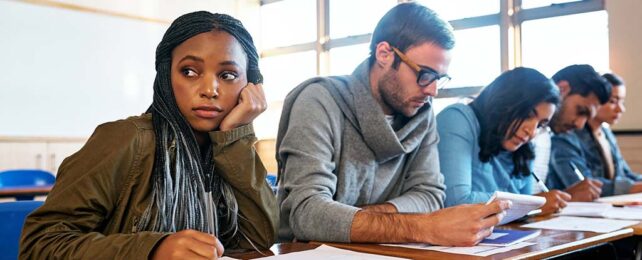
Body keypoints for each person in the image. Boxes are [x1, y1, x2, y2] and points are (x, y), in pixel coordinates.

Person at [20, 11, 278, 259]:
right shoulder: (127, 139)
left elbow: (256, 241)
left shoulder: (228, 147)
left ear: (250, 86)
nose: (210, 89)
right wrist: (153, 250)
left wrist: (234, 137)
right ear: (166, 76)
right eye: (189, 71)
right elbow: (40, 245)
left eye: (227, 75)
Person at [276, 2, 509, 247]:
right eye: (425, 74)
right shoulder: (318, 100)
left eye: (439, 79)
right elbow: (307, 212)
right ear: (384, 54)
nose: (432, 90)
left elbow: (431, 195)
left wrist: (362, 219)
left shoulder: (422, 113)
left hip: (385, 250)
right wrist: (424, 227)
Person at [437, 67, 571, 214]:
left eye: (540, 125)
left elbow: (523, 215)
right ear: (504, 103)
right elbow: (456, 202)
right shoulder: (457, 118)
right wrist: (531, 204)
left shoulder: (523, 151)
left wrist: (529, 204)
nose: (532, 132)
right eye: (527, 114)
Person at [548, 73, 642, 196]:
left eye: (622, 101)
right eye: (612, 101)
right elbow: (583, 185)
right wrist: (631, 188)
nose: (621, 109)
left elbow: (624, 173)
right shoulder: (564, 133)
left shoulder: (606, 134)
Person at [545, 64, 612, 201]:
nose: (580, 125)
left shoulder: (548, 136)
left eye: (587, 118)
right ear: (562, 89)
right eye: (581, 111)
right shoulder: (521, 135)